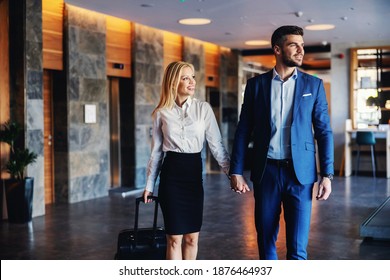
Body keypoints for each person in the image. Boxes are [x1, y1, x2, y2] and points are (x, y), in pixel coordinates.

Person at [229, 25, 334, 260]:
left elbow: (324, 131)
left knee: (297, 248)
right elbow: (243, 130)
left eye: (302, 45)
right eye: (293, 45)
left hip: (301, 175)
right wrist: (235, 171)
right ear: (277, 49)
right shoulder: (257, 86)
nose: (300, 50)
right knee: (266, 242)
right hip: (266, 172)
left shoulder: (313, 85)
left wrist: (327, 174)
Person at [143, 61, 230, 260]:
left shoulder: (203, 109)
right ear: (174, 82)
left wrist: (231, 173)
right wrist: (149, 185)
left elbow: (216, 145)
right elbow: (156, 153)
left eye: (192, 77)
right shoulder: (160, 112)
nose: (192, 82)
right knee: (174, 239)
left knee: (192, 238)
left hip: (193, 176)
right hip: (171, 178)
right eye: (185, 78)